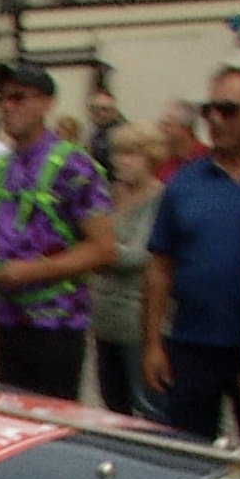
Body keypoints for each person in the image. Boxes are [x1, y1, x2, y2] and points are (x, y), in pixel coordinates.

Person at [141, 69, 240, 450]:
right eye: (209, 111)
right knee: (187, 452)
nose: (216, 120)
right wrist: (153, 343)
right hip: (192, 343)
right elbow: (159, 267)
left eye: (229, 110)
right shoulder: (183, 182)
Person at [0, 60, 116, 400]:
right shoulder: (0, 168)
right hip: (8, 322)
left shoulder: (74, 165)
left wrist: (30, 271)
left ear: (45, 103)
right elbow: (0, 236)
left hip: (57, 326)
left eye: (18, 98)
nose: (7, 107)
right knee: (11, 416)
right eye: (1, 99)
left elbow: (103, 248)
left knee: (53, 421)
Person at [90, 120, 165, 420]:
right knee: (112, 403)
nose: (122, 161)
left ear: (151, 159)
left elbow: (139, 255)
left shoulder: (160, 199)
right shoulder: (108, 194)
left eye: (132, 154)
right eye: (119, 153)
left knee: (147, 405)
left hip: (137, 321)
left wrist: (96, 252)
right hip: (103, 318)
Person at [154, 100, 209, 182]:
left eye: (167, 125)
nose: (161, 130)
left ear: (184, 128)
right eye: (161, 124)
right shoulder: (159, 159)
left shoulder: (206, 158)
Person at [86, 89, 126, 179]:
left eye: (104, 109)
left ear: (114, 112)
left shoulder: (120, 135)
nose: (100, 113)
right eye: (94, 109)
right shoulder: (95, 133)